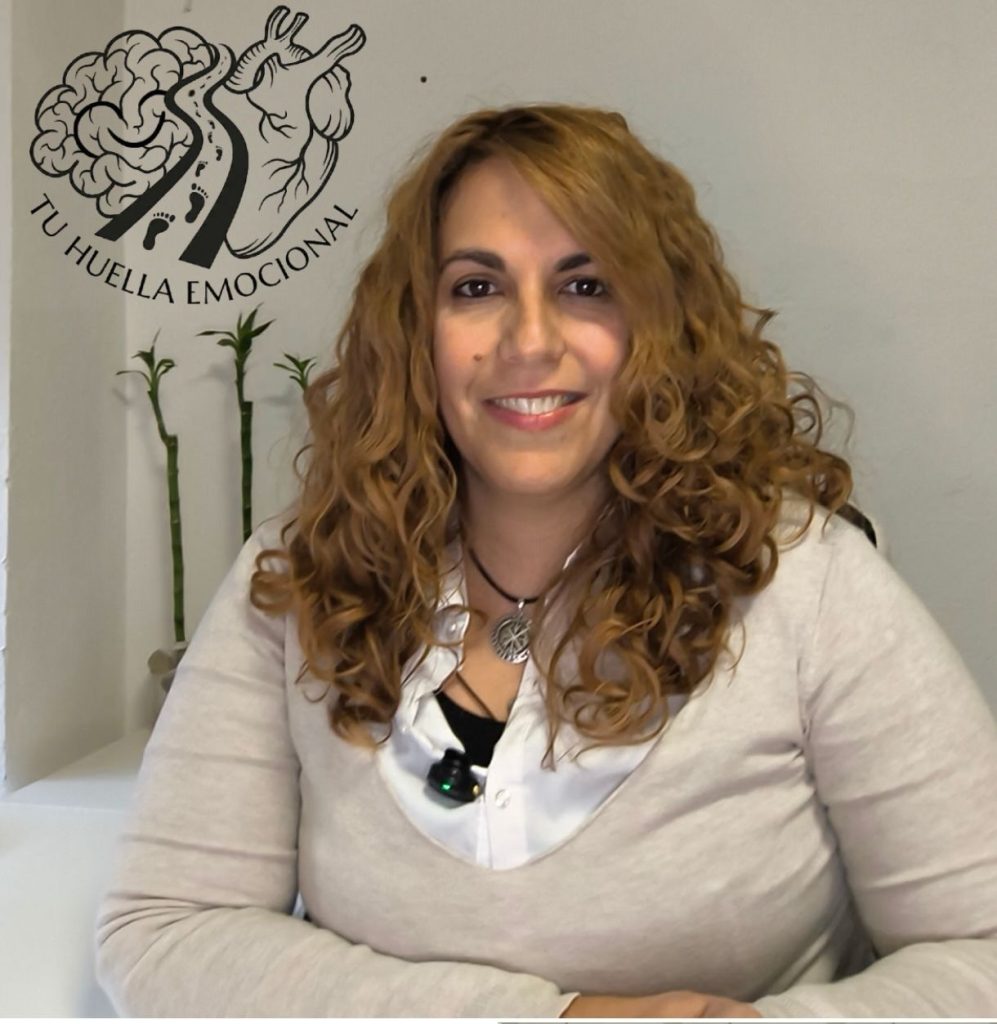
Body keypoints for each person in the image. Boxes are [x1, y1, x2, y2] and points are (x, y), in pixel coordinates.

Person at [95, 103, 997, 1018]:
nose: (529, 341)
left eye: (586, 285)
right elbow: (164, 933)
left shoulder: (808, 583)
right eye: (476, 288)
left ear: (660, 325)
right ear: (414, 331)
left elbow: (980, 947)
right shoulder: (299, 577)